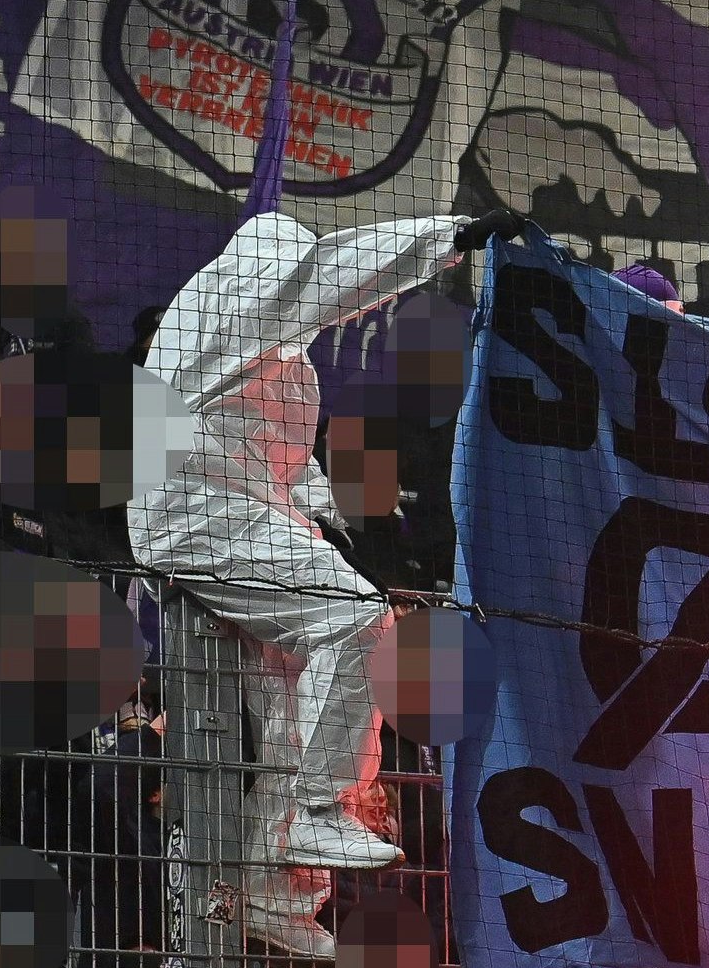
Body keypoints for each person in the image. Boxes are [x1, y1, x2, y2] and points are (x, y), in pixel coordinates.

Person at [126, 209, 482, 870]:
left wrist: (327, 510)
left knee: (293, 701)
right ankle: (317, 810)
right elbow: (331, 275)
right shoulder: (237, 298)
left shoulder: (263, 355)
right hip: (199, 513)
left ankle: (275, 888)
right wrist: (448, 237)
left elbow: (273, 451)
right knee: (355, 619)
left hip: (222, 509)